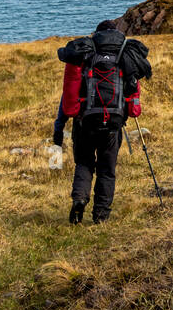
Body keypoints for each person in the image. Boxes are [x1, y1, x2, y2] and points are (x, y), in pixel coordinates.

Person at [56, 18, 151, 224]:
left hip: (84, 122)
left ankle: (80, 198)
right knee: (107, 171)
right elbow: (133, 93)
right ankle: (101, 216)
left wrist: (59, 126)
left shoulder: (85, 55)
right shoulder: (125, 54)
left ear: (96, 35)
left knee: (84, 162)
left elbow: (68, 94)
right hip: (114, 123)